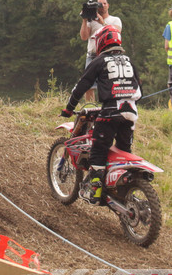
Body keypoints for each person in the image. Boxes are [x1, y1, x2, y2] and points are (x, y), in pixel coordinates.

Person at [60, 25, 142, 205]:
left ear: (102, 42)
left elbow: (82, 85)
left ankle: (95, 191)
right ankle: (120, 188)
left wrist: (69, 108)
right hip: (131, 113)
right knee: (123, 151)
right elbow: (139, 88)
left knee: (98, 149)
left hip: (110, 112)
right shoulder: (129, 61)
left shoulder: (100, 61)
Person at [79, 0, 123, 69]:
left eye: (104, 3)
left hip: (110, 55)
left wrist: (102, 22)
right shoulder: (91, 21)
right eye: (100, 4)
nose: (103, 6)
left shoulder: (115, 20)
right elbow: (84, 37)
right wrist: (85, 19)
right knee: (89, 76)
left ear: (108, 5)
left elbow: (116, 33)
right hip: (93, 56)